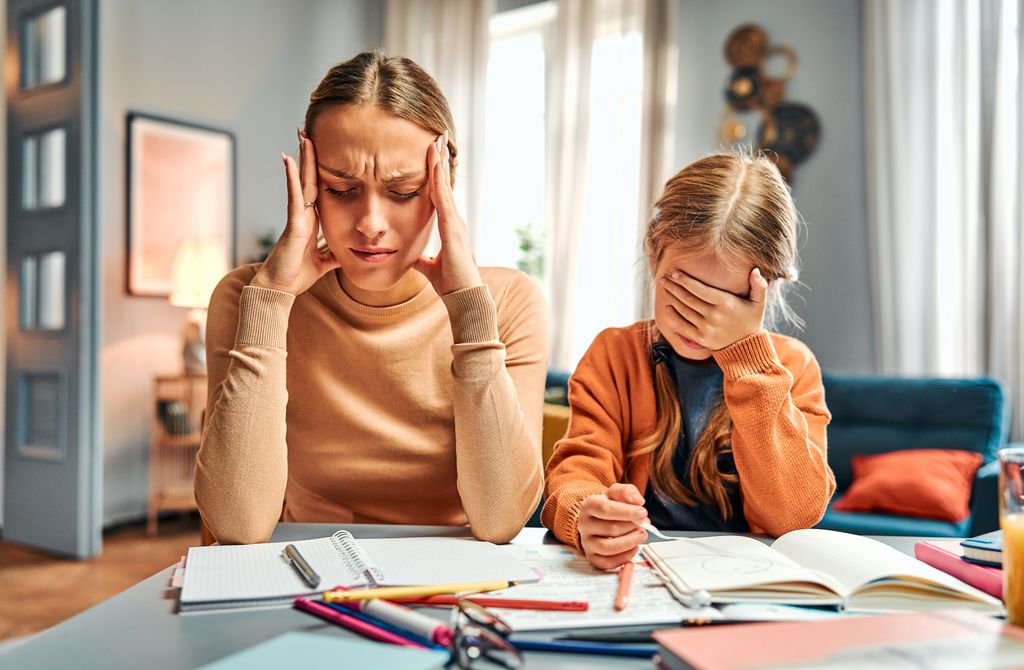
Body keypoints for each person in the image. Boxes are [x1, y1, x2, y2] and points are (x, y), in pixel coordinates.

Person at [195, 51, 548, 545]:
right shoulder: (247, 298)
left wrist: (469, 310)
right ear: (309, 182)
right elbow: (237, 525)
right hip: (306, 570)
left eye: (403, 191)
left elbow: (501, 519)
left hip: (449, 583)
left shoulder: (508, 300)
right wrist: (271, 304)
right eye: (342, 188)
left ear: (444, 187)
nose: (370, 223)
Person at [542, 152, 835, 569]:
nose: (700, 323)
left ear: (765, 287)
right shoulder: (615, 355)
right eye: (683, 293)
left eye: (726, 302)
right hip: (639, 571)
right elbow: (575, 473)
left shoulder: (791, 368)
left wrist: (746, 359)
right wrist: (587, 514)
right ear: (653, 254)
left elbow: (793, 518)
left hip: (750, 581)